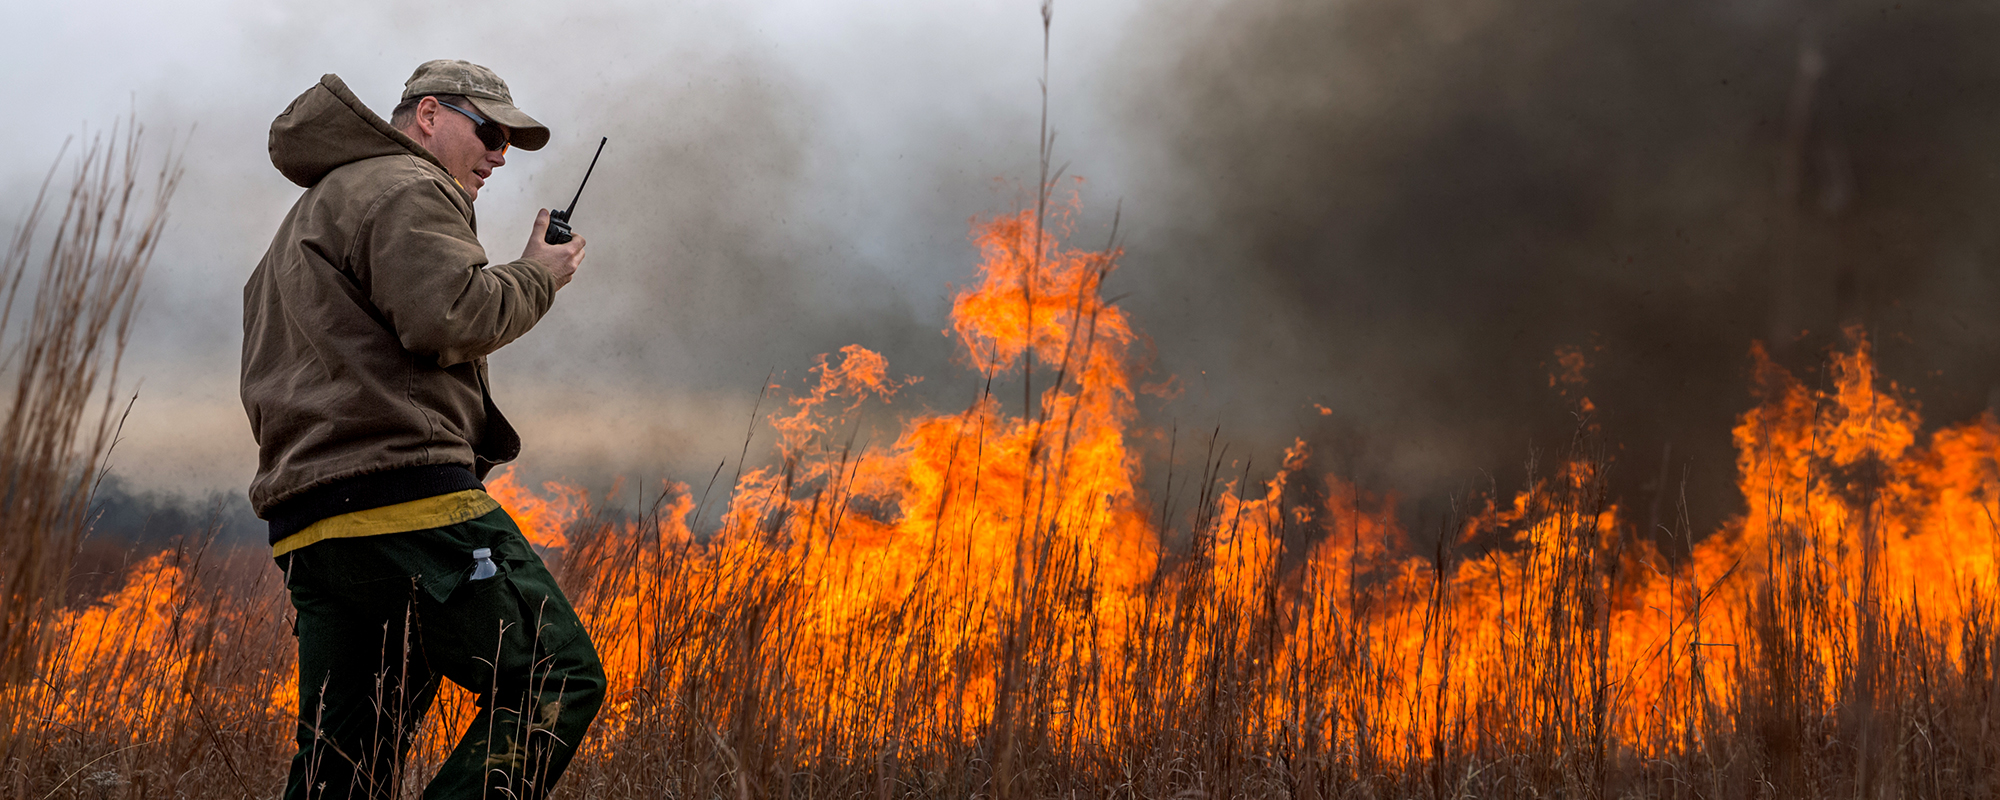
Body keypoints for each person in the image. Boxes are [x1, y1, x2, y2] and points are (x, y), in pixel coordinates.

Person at [242, 59, 603, 800]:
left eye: (509, 138)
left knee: (344, 759)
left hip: (313, 523)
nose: (502, 152)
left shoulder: (313, 212)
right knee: (556, 675)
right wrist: (537, 273)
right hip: (407, 500)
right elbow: (448, 317)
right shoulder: (409, 185)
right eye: (491, 129)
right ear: (430, 115)